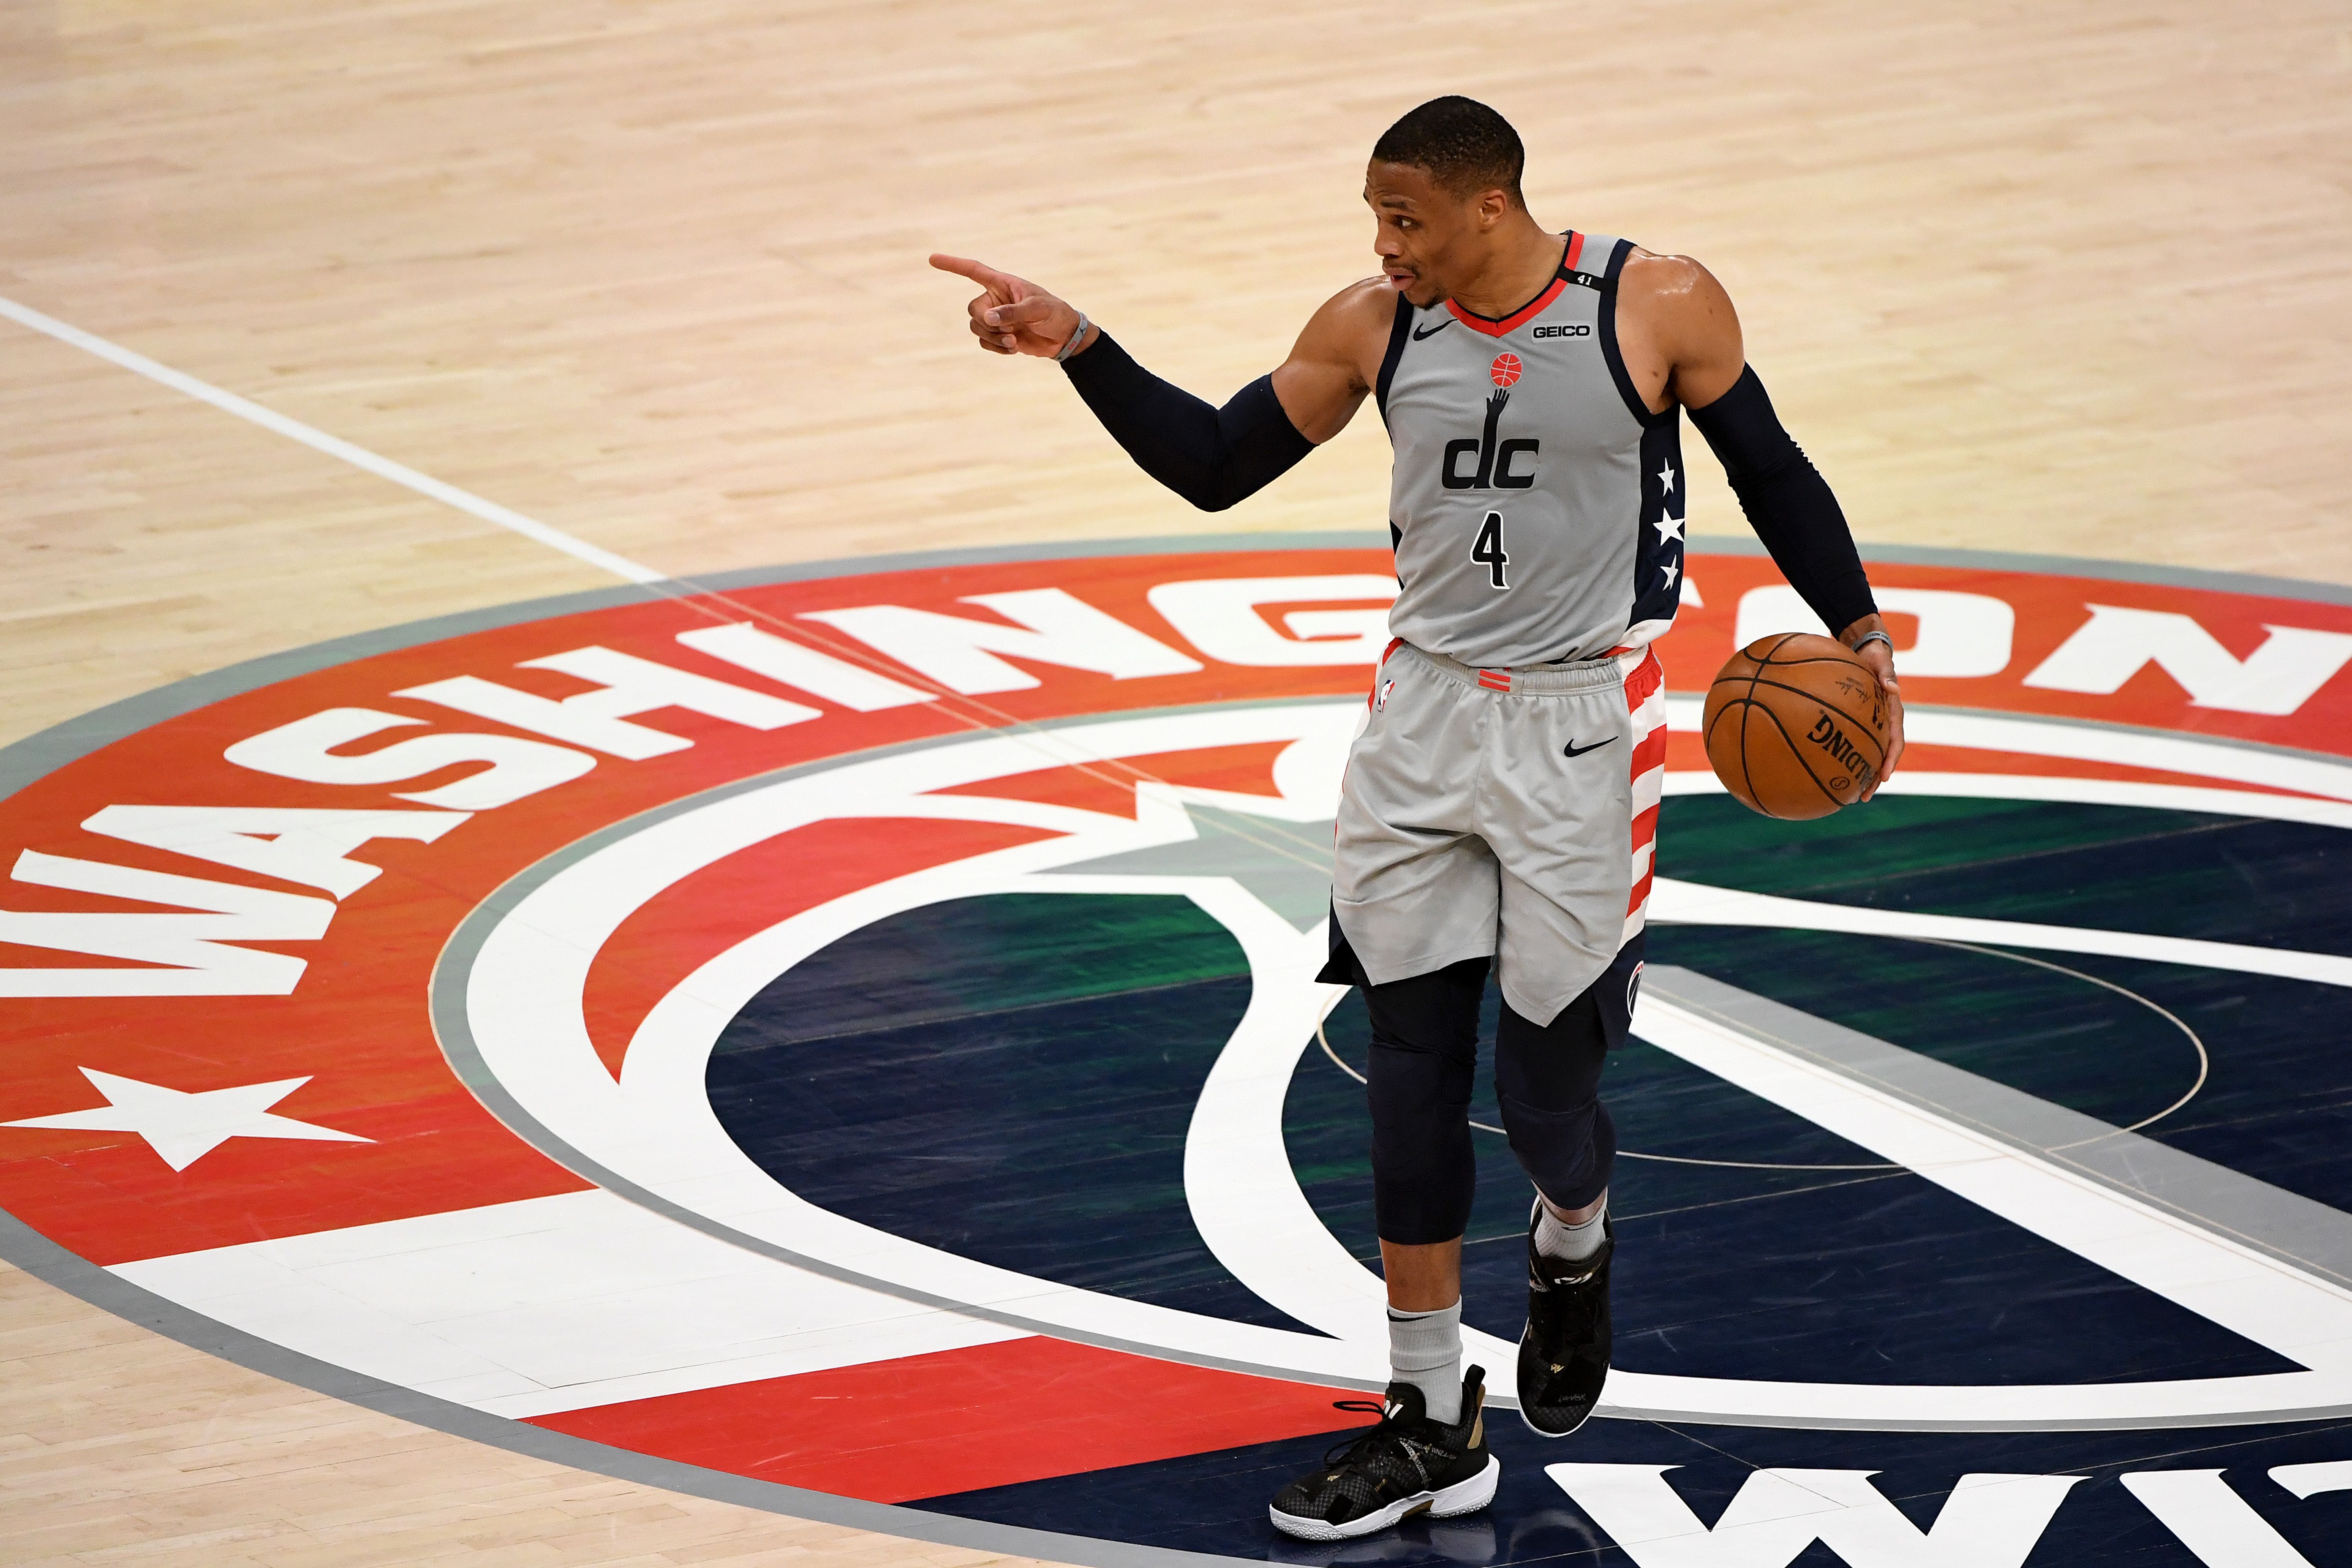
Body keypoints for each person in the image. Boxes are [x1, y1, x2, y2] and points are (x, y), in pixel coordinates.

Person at [931, 94, 1903, 1542]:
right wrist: (1082, 345)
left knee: (1545, 1097)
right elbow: (1213, 464)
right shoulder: (1375, 325)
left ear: (1488, 208)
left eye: (1406, 220)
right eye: (1374, 221)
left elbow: (1771, 468)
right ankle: (1431, 1416)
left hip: (1584, 725)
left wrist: (1862, 636)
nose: (1384, 247)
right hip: (1423, 720)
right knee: (1406, 1069)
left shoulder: (1658, 303)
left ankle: (1574, 1234)